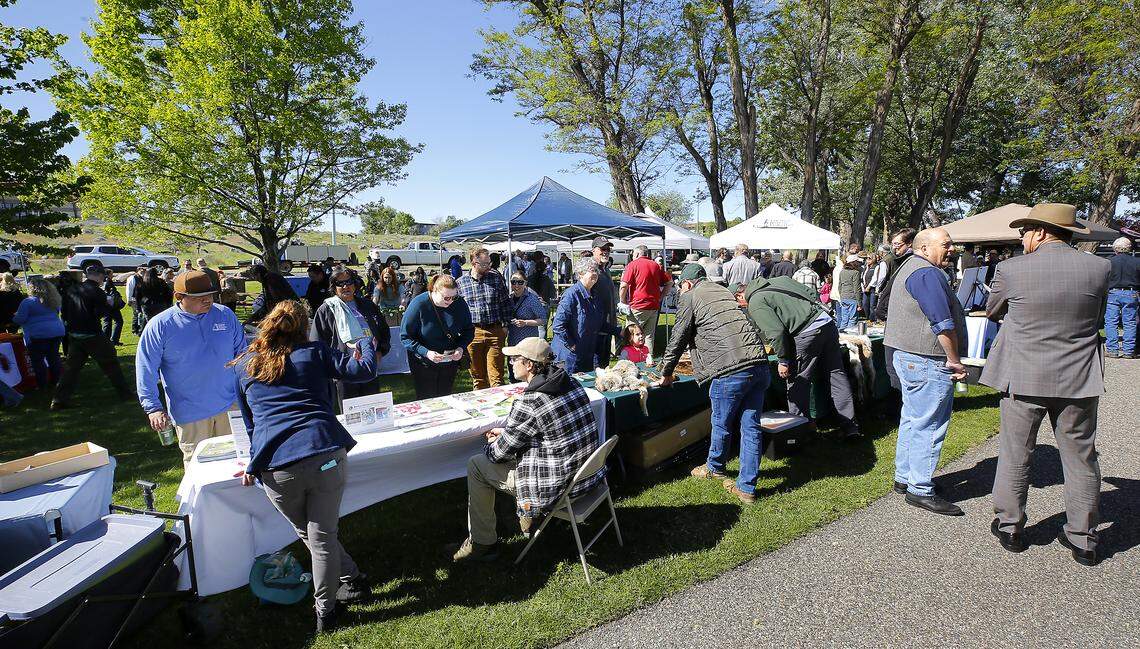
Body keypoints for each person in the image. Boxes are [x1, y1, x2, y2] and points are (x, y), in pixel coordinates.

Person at [982, 204, 1111, 565]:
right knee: (1081, 456)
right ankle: (1083, 538)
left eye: (1024, 230)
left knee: (1016, 452)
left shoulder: (1011, 269)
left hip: (1024, 374)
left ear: (1039, 232)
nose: (1022, 237)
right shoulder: (1100, 267)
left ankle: (1010, 526)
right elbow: (1096, 316)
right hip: (1078, 377)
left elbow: (992, 310)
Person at [234, 300, 374, 632]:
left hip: (276, 467)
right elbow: (364, 370)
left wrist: (254, 463)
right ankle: (326, 610)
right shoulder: (314, 353)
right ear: (303, 325)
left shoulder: (245, 366)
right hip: (322, 452)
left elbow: (250, 424)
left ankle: (351, 578)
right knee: (321, 536)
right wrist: (365, 339)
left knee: (311, 533)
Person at [452, 337, 602, 562]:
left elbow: (498, 454)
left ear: (530, 365)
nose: (510, 363)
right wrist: (509, 434)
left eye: (514, 359)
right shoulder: (571, 382)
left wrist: (496, 441)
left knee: (476, 464)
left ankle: (482, 543)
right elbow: (547, 429)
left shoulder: (530, 401)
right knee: (511, 450)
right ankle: (527, 519)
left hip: (558, 487)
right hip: (588, 478)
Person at [656, 263, 770, 504]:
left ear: (686, 284)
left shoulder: (690, 296)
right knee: (751, 427)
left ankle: (715, 467)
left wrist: (666, 371)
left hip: (731, 369)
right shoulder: (724, 292)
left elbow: (678, 336)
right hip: (759, 363)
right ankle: (747, 487)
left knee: (721, 423)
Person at [884, 227, 967, 516]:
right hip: (925, 359)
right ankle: (919, 488)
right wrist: (954, 359)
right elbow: (941, 322)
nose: (951, 249)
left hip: (909, 357)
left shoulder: (910, 266)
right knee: (928, 424)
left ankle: (905, 478)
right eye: (946, 244)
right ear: (924, 248)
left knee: (913, 419)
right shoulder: (926, 273)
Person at [136, 271, 247, 465]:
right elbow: (146, 369)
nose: (208, 301)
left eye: (211, 295)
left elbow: (243, 355)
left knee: (238, 463)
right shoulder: (160, 326)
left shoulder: (224, 315)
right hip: (190, 412)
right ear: (179, 298)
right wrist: (153, 408)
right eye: (200, 298)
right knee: (199, 467)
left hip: (231, 405)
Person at [741, 273, 859, 439]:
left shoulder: (755, 301)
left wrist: (783, 360)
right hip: (826, 323)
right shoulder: (781, 280)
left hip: (806, 333)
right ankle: (850, 426)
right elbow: (812, 294)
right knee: (836, 375)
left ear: (740, 295)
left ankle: (798, 433)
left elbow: (776, 332)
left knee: (797, 382)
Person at [52, 266, 133, 410]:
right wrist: (109, 304)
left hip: (74, 334)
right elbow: (101, 313)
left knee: (71, 369)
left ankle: (59, 399)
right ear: (99, 276)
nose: (103, 280)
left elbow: (64, 311)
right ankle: (126, 394)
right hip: (92, 334)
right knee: (111, 363)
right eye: (103, 277)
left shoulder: (72, 289)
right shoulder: (97, 292)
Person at [311, 269, 392, 406]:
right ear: (334, 287)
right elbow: (317, 343)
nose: (345, 286)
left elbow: (383, 331)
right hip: (344, 372)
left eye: (348, 282)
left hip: (369, 368)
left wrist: (380, 351)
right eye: (340, 283)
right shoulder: (326, 310)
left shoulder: (368, 305)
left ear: (354, 284)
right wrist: (332, 365)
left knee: (375, 414)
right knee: (352, 420)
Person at [400, 274, 474, 399]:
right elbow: (405, 337)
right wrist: (426, 352)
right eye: (446, 298)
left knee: (446, 397)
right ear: (434, 291)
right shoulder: (418, 304)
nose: (450, 301)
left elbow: (469, 330)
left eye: (453, 297)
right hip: (423, 362)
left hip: (450, 361)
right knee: (427, 398)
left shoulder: (459, 303)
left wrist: (461, 348)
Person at [551, 257, 621, 373]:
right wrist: (571, 345)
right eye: (591, 270)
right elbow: (558, 325)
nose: (595, 273)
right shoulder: (571, 295)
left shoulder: (596, 295)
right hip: (569, 356)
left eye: (596, 271)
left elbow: (600, 324)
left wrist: (618, 331)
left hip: (587, 354)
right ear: (580, 274)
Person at [457, 247, 512, 390]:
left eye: (489, 263)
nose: (489, 266)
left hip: (495, 331)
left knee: (496, 377)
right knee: (478, 377)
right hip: (472, 333)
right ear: (474, 263)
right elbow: (457, 311)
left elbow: (505, 302)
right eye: (485, 264)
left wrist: (505, 326)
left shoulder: (496, 277)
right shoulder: (461, 283)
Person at [875, 227, 917, 388]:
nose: (894, 248)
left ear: (910, 244)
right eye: (892, 244)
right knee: (892, 368)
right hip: (892, 318)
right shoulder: (896, 260)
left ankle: (899, 405)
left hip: (902, 324)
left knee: (897, 370)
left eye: (898, 244)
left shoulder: (911, 263)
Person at [13, 277, 65, 390]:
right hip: (56, 331)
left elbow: (20, 319)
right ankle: (57, 381)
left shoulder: (28, 302)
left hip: (37, 335)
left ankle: (42, 384)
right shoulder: (54, 300)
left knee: (38, 361)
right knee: (54, 358)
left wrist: (14, 316)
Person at [619, 245, 673, 355]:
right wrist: (660, 298)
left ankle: (630, 360)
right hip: (653, 306)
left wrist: (622, 301)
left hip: (637, 306)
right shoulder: (656, 266)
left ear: (637, 254)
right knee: (648, 336)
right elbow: (670, 282)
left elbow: (623, 286)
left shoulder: (632, 265)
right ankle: (648, 360)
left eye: (633, 254)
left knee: (632, 335)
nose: (632, 256)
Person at [507, 271, 549, 381]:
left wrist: (525, 322)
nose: (516, 285)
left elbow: (543, 319)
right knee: (513, 373)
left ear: (525, 283)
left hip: (528, 343)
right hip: (513, 341)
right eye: (513, 282)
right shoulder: (509, 298)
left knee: (527, 373)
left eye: (520, 282)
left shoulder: (532, 299)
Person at [1104, 237, 1139, 358]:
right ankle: (1128, 351)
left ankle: (1112, 350)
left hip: (1113, 292)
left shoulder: (1109, 261)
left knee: (1111, 321)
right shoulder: (1137, 262)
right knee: (1130, 322)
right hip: (1131, 293)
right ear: (1129, 248)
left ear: (1115, 248)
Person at [587, 237, 619, 366]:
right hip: (596, 328)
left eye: (608, 249)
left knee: (604, 364)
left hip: (608, 326)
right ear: (594, 250)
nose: (606, 251)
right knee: (597, 368)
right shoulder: (591, 270)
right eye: (602, 249)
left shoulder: (606, 270)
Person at [836, 255, 863, 330]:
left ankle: (841, 333)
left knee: (844, 318)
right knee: (852, 319)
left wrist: (841, 296)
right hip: (852, 298)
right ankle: (850, 336)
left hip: (843, 297)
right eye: (857, 262)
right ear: (854, 263)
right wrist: (859, 303)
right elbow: (857, 289)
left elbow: (839, 286)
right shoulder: (856, 273)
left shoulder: (842, 271)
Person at [101, 271, 125, 345]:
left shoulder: (102, 281)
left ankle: (106, 340)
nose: (113, 275)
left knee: (107, 322)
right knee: (118, 321)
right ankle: (114, 339)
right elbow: (110, 293)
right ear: (108, 274)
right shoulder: (108, 281)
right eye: (111, 273)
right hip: (112, 306)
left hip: (106, 306)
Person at [126, 266, 147, 334]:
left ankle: (140, 328)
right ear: (138, 270)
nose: (143, 271)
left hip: (142, 299)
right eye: (142, 270)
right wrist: (129, 299)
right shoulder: (132, 278)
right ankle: (134, 329)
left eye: (144, 270)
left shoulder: (144, 277)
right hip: (134, 299)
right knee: (136, 314)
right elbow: (129, 289)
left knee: (141, 314)